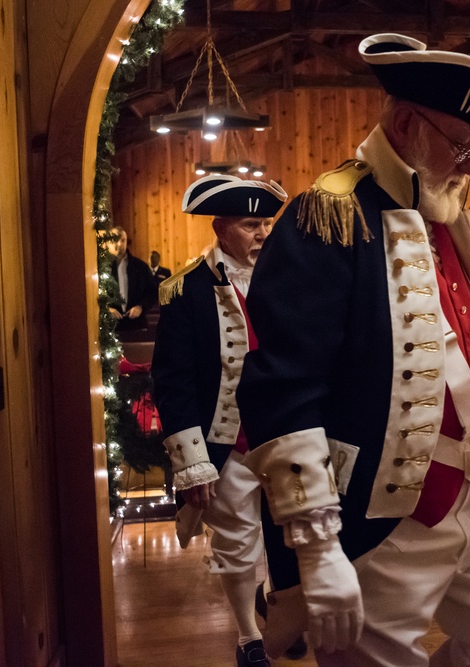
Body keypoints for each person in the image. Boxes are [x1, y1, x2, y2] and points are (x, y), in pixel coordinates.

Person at [236, 33, 470, 667]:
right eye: (463, 148)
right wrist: (319, 550)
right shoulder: (328, 215)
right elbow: (283, 390)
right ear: (407, 124)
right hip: (380, 518)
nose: (469, 167)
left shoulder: (445, 212)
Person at [152, 174, 291, 667]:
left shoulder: (288, 276)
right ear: (220, 227)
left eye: (267, 223)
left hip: (284, 434)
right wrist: (192, 464)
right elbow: (173, 380)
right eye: (251, 224)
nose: (262, 234)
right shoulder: (185, 290)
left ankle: (283, 608)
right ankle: (248, 637)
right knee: (236, 542)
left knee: (289, 530)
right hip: (225, 440)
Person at [107, 226, 156, 331]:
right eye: (115, 240)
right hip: (109, 327)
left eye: (123, 240)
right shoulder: (100, 268)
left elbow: (152, 292)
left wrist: (141, 306)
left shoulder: (140, 267)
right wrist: (106, 309)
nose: (119, 244)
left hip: (136, 323)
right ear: (108, 243)